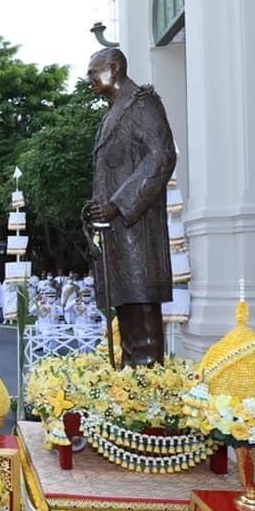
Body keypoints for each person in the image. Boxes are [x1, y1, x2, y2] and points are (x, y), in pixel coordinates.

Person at [87, 47, 176, 367]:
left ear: (114, 68)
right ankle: (131, 381)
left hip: (137, 229)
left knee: (141, 308)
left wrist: (118, 204)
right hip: (116, 233)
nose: (89, 78)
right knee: (126, 309)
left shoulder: (143, 103)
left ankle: (147, 384)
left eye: (93, 72)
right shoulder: (113, 112)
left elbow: (162, 157)